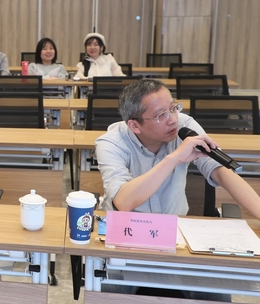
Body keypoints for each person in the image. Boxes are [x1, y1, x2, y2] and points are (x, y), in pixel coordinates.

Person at [96, 78, 260, 218]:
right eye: (161, 115)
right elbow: (123, 202)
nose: (173, 120)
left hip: (174, 227)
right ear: (134, 125)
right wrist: (174, 158)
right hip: (126, 228)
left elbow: (219, 170)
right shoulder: (111, 143)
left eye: (173, 108)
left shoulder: (184, 126)